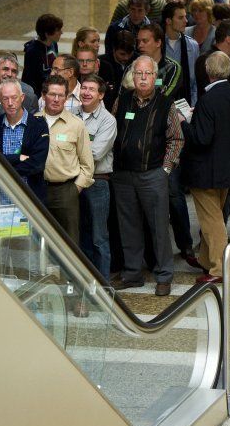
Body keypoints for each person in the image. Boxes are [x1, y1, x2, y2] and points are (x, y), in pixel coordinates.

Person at [110, 56, 183, 295]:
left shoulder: (166, 104)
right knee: (128, 226)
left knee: (159, 227)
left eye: (148, 74)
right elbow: (112, 132)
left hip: (153, 175)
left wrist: (165, 170)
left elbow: (176, 138)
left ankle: (164, 275)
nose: (143, 78)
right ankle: (132, 274)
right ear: (133, 76)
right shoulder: (123, 101)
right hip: (123, 175)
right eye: (139, 74)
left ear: (155, 77)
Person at [182, 52, 230, 283]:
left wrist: (185, 122)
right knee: (216, 215)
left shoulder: (207, 100)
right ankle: (205, 260)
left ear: (207, 72)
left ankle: (218, 269)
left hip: (205, 171)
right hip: (228, 166)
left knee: (212, 221)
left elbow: (201, 138)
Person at [39, 74, 94, 244]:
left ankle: (68, 272)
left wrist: (75, 189)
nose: (56, 99)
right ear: (43, 96)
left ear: (66, 97)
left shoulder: (76, 124)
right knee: (40, 238)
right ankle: (42, 272)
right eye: (52, 94)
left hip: (66, 191)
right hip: (38, 188)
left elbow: (87, 164)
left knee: (70, 242)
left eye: (61, 95)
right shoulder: (33, 121)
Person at [76, 73, 117, 280]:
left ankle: (103, 286)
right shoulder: (71, 114)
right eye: (84, 88)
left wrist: (69, 151)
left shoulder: (108, 120)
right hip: (72, 181)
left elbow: (95, 154)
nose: (86, 92)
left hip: (97, 182)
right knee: (80, 235)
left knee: (99, 237)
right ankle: (84, 284)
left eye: (91, 89)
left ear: (101, 95)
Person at [0, 78, 50, 203]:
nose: (10, 103)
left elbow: (37, 164)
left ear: (22, 97)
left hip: (31, 199)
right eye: (5, 98)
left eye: (14, 97)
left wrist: (3, 168)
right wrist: (17, 158)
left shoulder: (38, 125)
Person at [130, 23, 181, 100]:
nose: (139, 45)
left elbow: (165, 98)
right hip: (131, 110)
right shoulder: (132, 67)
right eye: (138, 41)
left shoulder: (172, 67)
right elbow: (122, 96)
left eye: (145, 41)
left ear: (158, 43)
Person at [163, 1, 201, 106]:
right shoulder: (158, 44)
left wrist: (193, 105)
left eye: (185, 17)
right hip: (161, 102)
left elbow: (194, 82)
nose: (186, 21)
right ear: (168, 21)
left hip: (186, 103)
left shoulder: (192, 45)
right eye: (180, 18)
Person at [0, 52, 38, 119]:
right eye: (5, 69)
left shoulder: (28, 98)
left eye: (14, 71)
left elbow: (32, 126)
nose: (9, 74)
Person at [22, 14, 63, 96]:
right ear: (47, 34)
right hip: (38, 94)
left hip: (51, 89)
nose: (61, 33)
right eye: (58, 30)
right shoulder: (33, 51)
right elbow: (30, 79)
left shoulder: (53, 44)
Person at [98, 30, 136, 110]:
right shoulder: (101, 63)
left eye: (130, 54)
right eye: (122, 54)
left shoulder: (139, 61)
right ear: (114, 49)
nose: (126, 58)